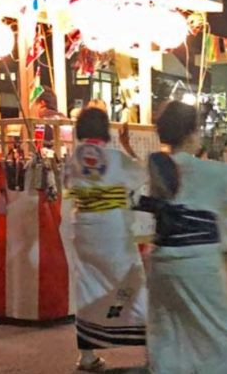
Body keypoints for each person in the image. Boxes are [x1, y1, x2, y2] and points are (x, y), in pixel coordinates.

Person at [134, 101, 227, 373]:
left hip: (162, 260)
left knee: (167, 332)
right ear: (191, 134)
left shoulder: (155, 167)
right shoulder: (215, 171)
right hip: (199, 261)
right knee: (216, 335)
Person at [65, 108, 147, 371]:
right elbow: (141, 175)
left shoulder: (72, 159)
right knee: (131, 283)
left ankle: (87, 355)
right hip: (113, 230)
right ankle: (150, 347)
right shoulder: (116, 158)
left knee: (87, 288)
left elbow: (68, 187)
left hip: (84, 230)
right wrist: (128, 147)